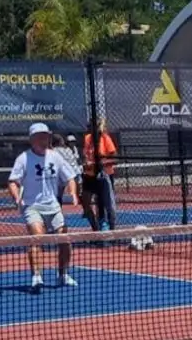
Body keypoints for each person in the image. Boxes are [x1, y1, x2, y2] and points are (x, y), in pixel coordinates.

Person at [8, 122, 79, 290]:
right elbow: (12, 181)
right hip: (32, 206)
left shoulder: (55, 157)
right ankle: (37, 277)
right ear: (32, 139)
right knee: (37, 238)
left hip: (53, 206)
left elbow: (70, 177)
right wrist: (17, 197)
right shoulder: (24, 158)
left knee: (65, 240)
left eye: (46, 135)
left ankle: (63, 275)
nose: (44, 139)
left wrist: (73, 193)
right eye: (40, 136)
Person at [79, 118, 117, 231]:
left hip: (104, 176)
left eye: (92, 126)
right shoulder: (87, 138)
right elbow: (85, 155)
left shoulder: (105, 138)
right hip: (89, 176)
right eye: (89, 126)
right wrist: (86, 163)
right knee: (85, 202)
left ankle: (111, 229)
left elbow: (114, 158)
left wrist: (99, 164)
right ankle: (95, 229)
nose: (90, 128)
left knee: (107, 205)